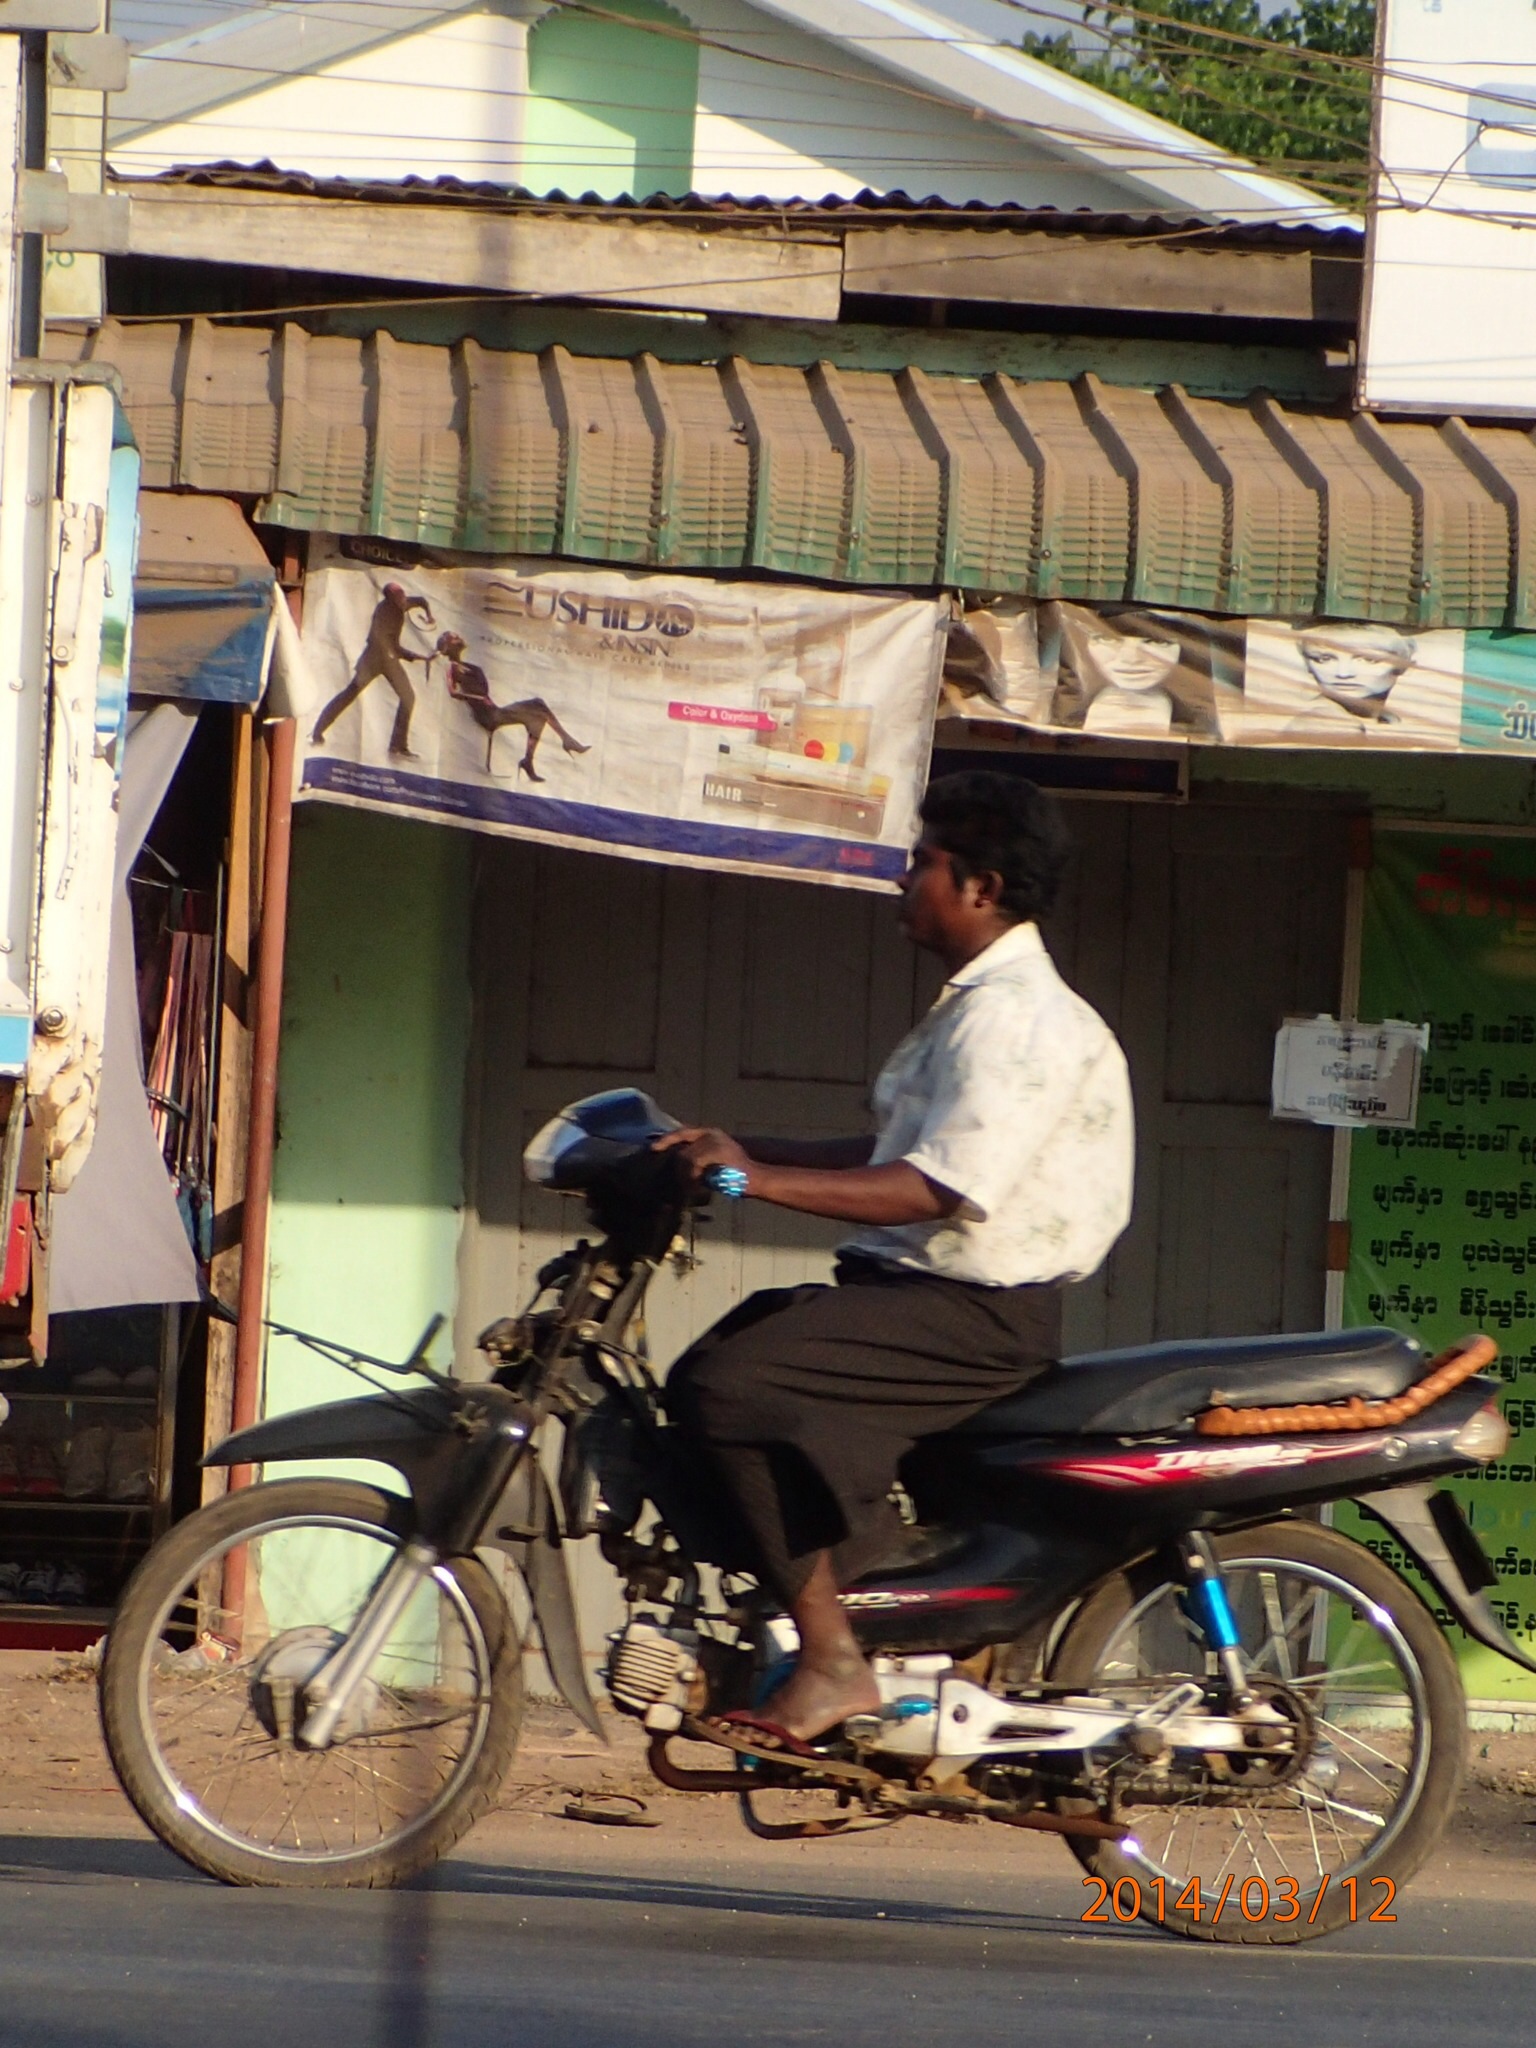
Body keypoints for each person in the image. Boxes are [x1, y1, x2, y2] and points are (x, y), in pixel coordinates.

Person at [658, 770, 1135, 1750]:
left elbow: (934, 1188)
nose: (904, 880)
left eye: (923, 863)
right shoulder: (976, 1005)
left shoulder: (1018, 1019)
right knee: (717, 1362)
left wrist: (751, 1181)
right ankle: (845, 1609)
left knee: (730, 1384)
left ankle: (834, 1658)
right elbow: (889, 1154)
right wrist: (735, 1147)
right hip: (922, 1293)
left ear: (981, 886)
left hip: (973, 1313)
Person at [433, 629, 591, 780]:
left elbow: (484, 690)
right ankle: (565, 741)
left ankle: (529, 760)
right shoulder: (452, 667)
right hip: (486, 716)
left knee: (538, 715)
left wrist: (481, 697)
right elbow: (453, 692)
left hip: (494, 710)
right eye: (455, 638)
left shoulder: (472, 667)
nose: (460, 639)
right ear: (447, 646)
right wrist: (478, 698)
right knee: (538, 705)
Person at [311, 582, 436, 760]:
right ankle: (318, 731)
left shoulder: (402, 603)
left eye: (402, 593)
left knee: (408, 698)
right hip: (374, 660)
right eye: (399, 595)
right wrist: (417, 657)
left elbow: (421, 600)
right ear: (391, 599)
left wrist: (429, 615)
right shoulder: (384, 613)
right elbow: (390, 646)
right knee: (350, 694)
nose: (403, 597)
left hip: (390, 660)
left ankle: (397, 746)